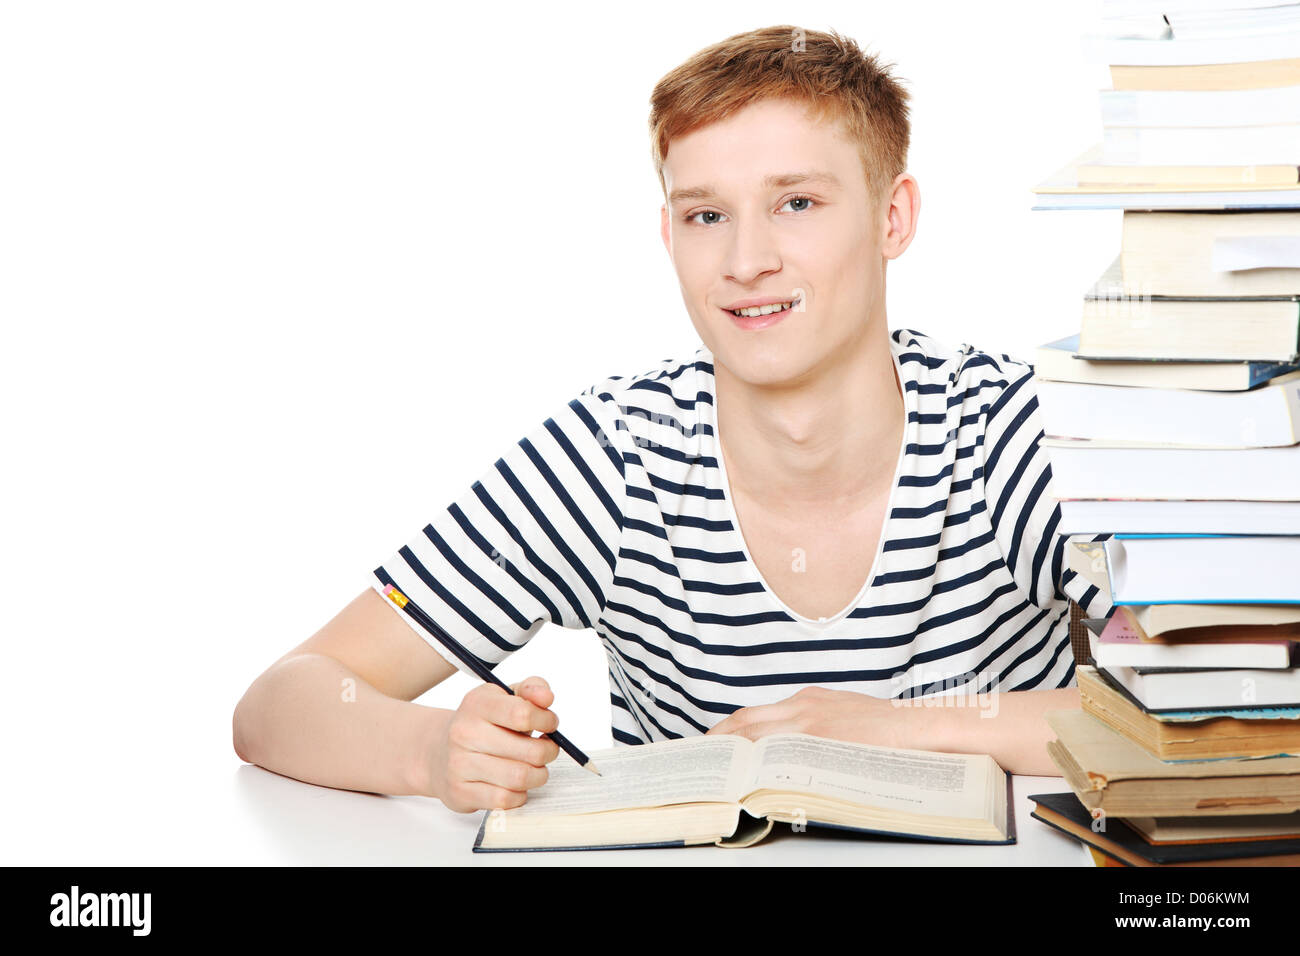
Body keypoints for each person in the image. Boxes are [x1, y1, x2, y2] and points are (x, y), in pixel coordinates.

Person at [232, 24, 1110, 814]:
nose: (746, 260)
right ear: (669, 235)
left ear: (893, 217)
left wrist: (894, 729)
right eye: (706, 215)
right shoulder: (617, 452)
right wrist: (431, 752)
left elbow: (1213, 710)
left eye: (796, 203)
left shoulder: (1017, 430)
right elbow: (283, 700)